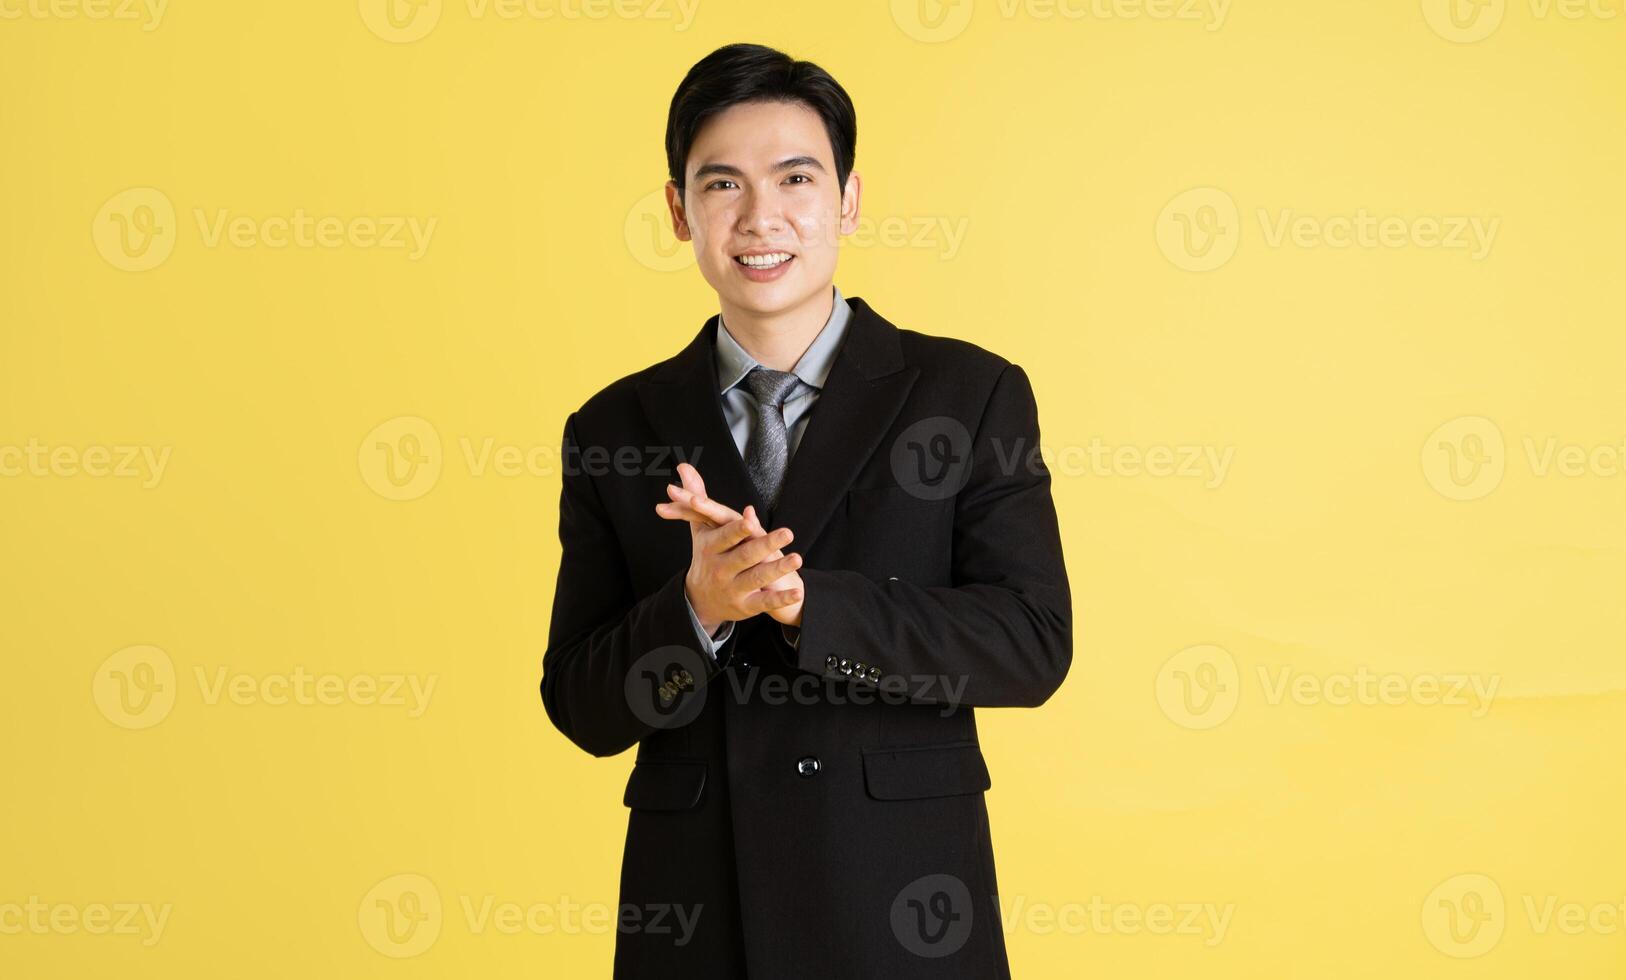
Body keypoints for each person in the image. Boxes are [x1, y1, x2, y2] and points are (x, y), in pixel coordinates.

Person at [540, 42, 1072, 980]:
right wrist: (696, 612)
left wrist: (807, 603)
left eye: (795, 178)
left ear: (848, 200)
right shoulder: (613, 427)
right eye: (721, 185)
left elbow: (1030, 644)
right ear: (678, 211)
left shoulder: (969, 392)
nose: (760, 218)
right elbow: (580, 706)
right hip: (700, 919)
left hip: (904, 912)